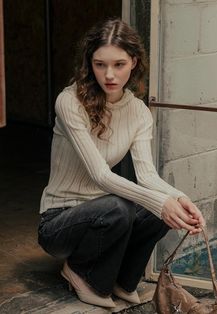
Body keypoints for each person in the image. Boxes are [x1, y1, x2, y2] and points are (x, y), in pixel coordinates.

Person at [38, 18, 205, 308]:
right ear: (90, 63)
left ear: (134, 62)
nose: (109, 74)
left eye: (119, 64)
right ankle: (80, 272)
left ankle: (122, 280)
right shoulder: (69, 101)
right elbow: (101, 175)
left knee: (157, 207)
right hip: (59, 222)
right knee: (122, 205)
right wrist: (158, 202)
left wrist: (180, 199)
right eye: (100, 64)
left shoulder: (138, 112)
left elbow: (147, 176)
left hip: (106, 217)